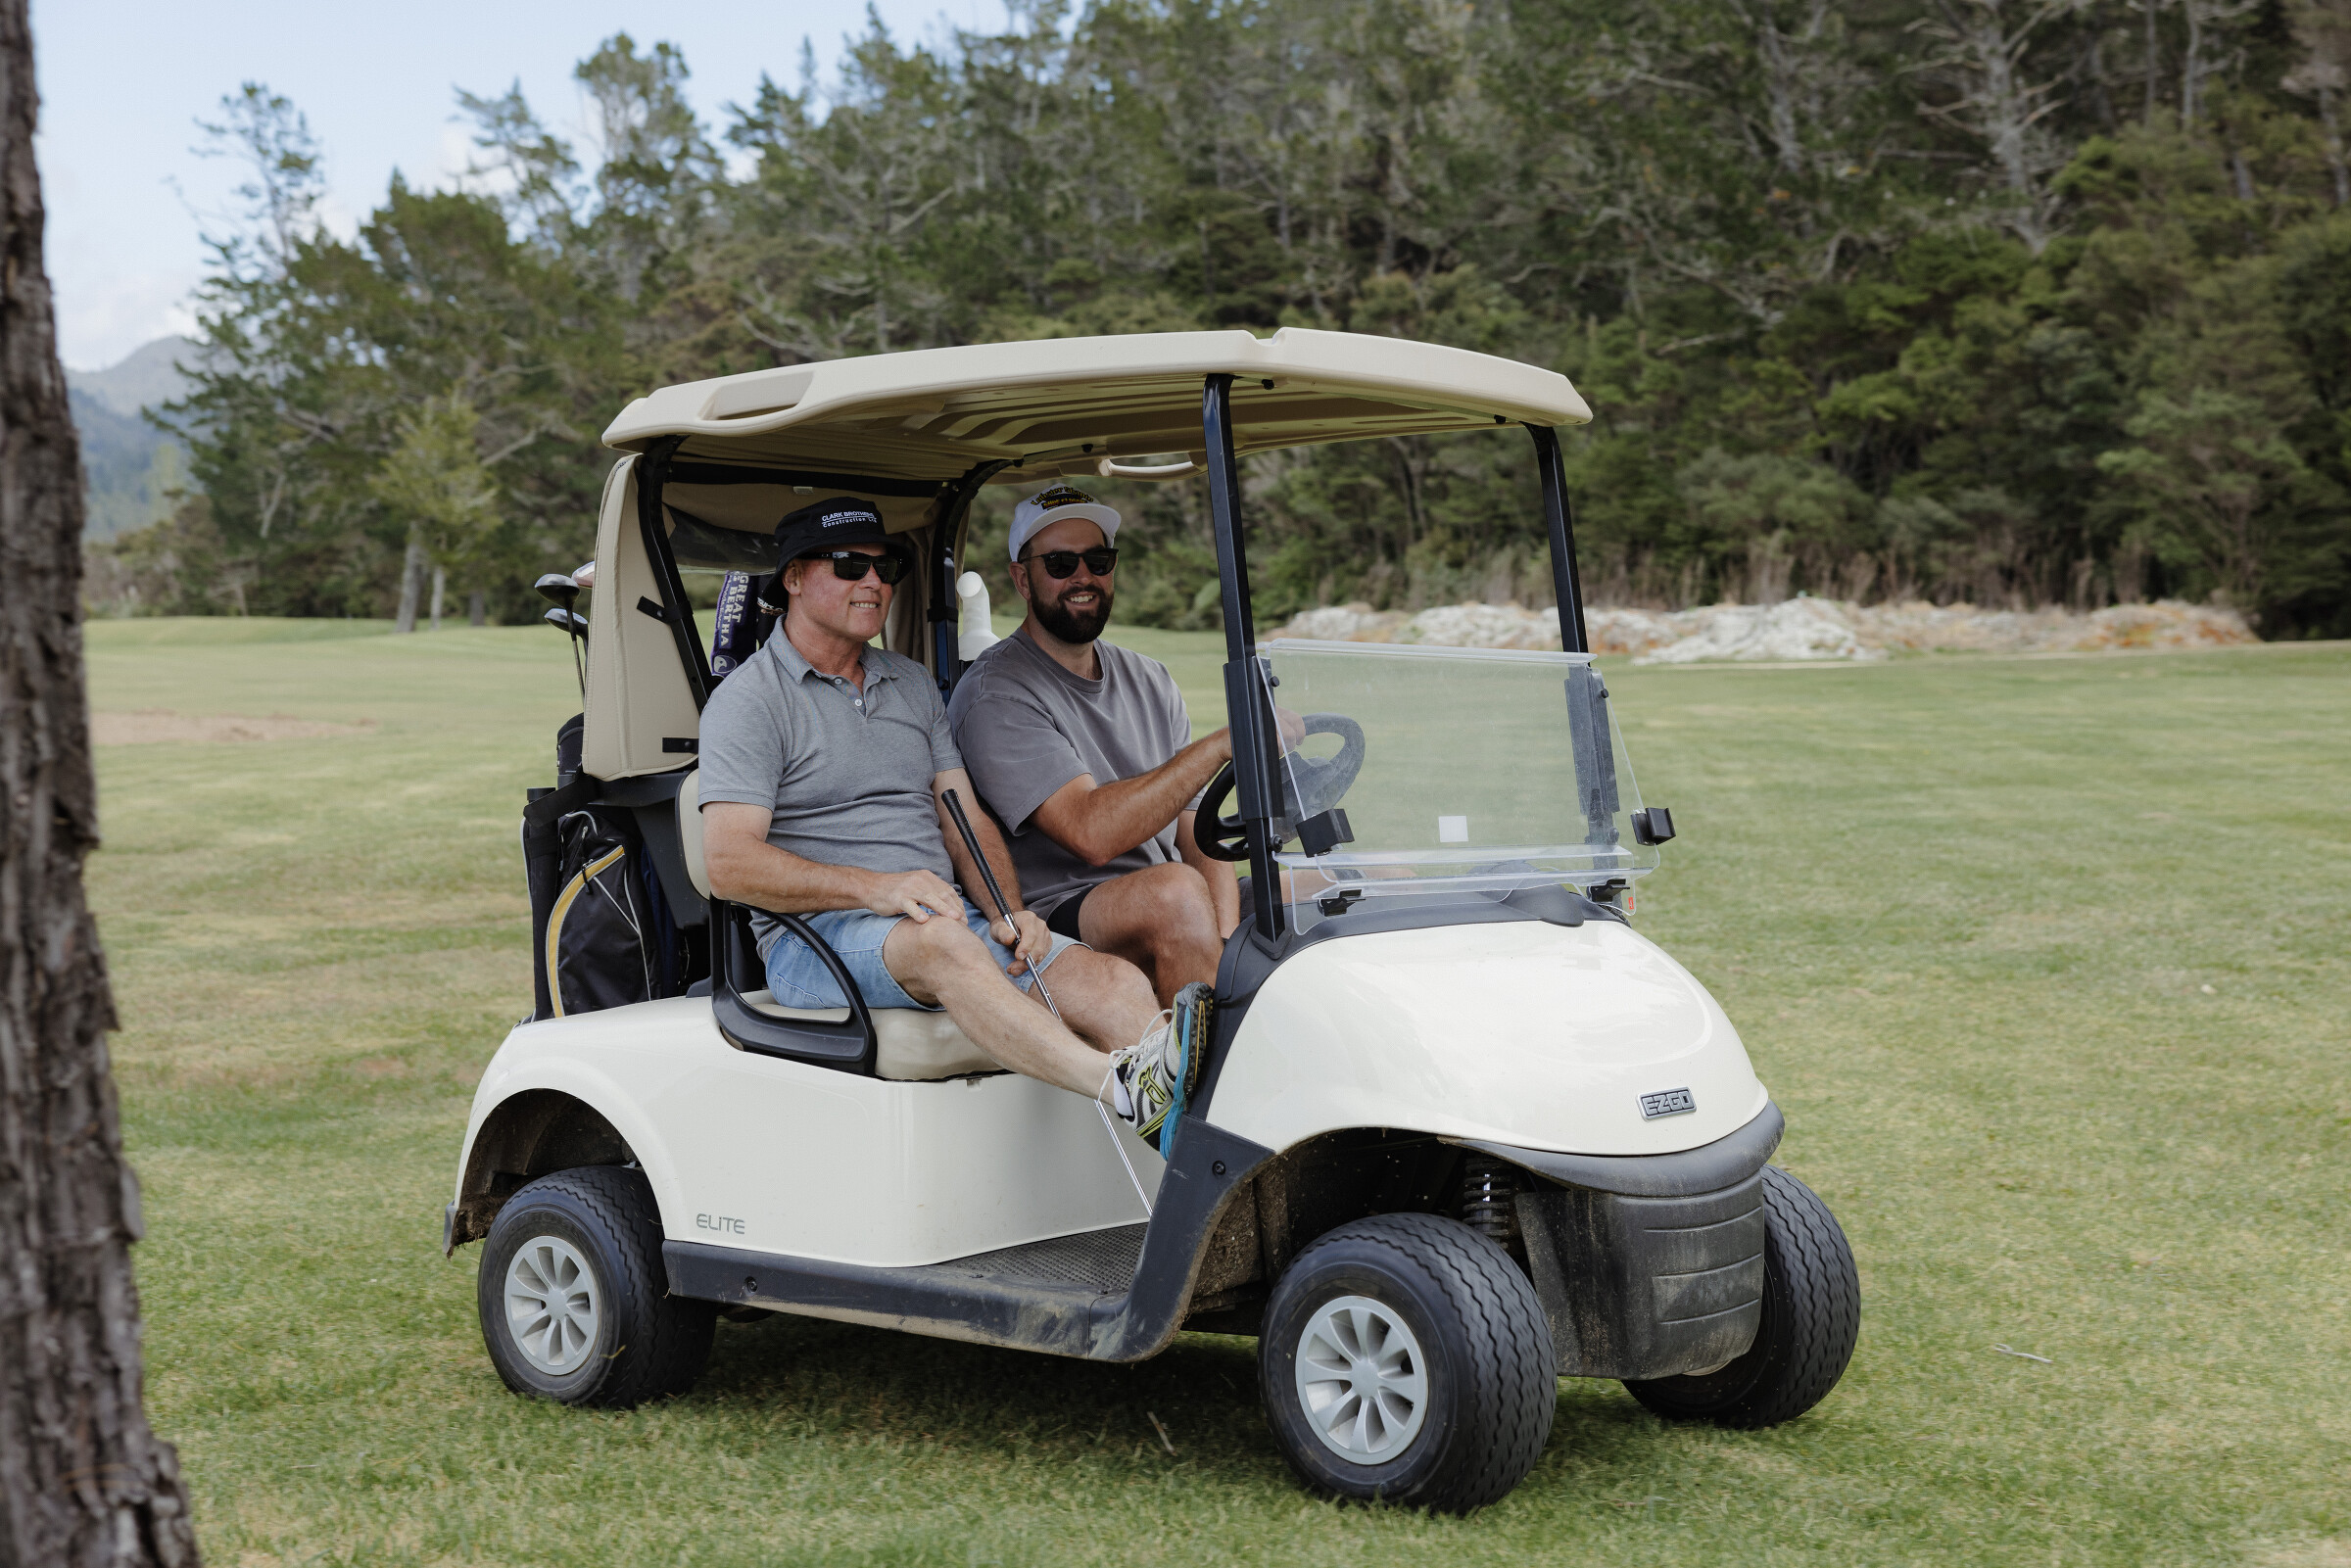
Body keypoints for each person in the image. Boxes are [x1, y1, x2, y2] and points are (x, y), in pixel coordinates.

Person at [696, 496, 1196, 1138]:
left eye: (885, 568)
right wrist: (877, 889)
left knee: (1113, 982)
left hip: (938, 919)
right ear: (793, 577)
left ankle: (1195, 1161)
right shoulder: (749, 701)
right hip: (813, 941)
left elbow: (964, 822)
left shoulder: (909, 685)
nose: (873, 582)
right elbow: (728, 863)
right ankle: (1119, 1086)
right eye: (849, 566)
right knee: (942, 942)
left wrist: (1008, 912)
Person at [946, 485, 1242, 1008]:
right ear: (1022, 579)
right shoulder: (995, 694)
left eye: (1098, 560)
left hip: (1164, 888)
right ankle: (1205, 1061)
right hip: (1060, 909)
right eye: (1060, 563)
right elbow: (1091, 833)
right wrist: (1216, 748)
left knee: (1337, 886)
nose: (1083, 577)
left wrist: (1224, 939)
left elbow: (1198, 832)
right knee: (1174, 894)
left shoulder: (1150, 678)